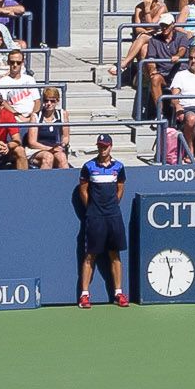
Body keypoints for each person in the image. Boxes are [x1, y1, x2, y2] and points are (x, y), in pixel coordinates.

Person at [75, 132, 127, 308]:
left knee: (115, 254)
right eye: (100, 146)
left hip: (113, 215)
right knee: (90, 255)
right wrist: (92, 208)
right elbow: (83, 189)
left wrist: (112, 205)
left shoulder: (119, 167)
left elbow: (120, 187)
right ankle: (84, 295)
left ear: (110, 147)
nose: (102, 149)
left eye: (105, 146)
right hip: (95, 216)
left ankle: (118, 293)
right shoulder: (88, 166)